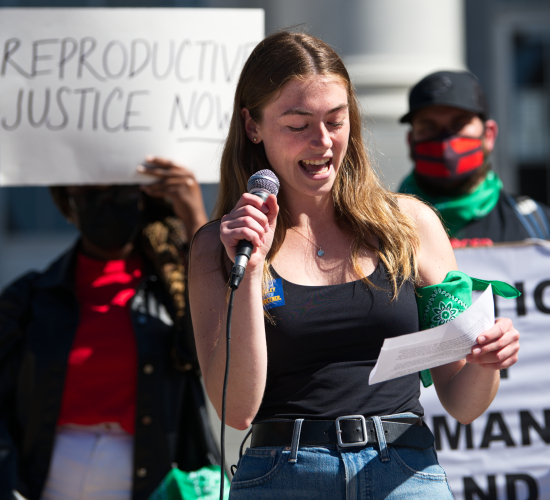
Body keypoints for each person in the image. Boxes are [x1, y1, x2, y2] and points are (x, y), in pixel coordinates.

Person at [188, 31, 520, 499]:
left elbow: (463, 403)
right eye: (298, 124)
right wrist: (253, 268)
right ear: (252, 125)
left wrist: (488, 362)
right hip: (283, 476)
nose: (322, 141)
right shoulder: (218, 248)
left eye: (335, 120)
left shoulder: (411, 225)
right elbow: (237, 411)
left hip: (404, 473)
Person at [0, 157, 220, 500]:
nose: (106, 205)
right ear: (68, 203)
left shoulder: (173, 292)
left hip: (148, 477)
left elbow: (210, 350)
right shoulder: (28, 299)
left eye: (120, 192)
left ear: (143, 198)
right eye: (90, 195)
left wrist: (195, 219)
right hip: (47, 478)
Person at [398, 70, 550, 248]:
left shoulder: (537, 226)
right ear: (410, 140)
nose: (444, 142)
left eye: (458, 125)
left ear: (489, 135)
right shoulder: (382, 228)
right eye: (429, 127)